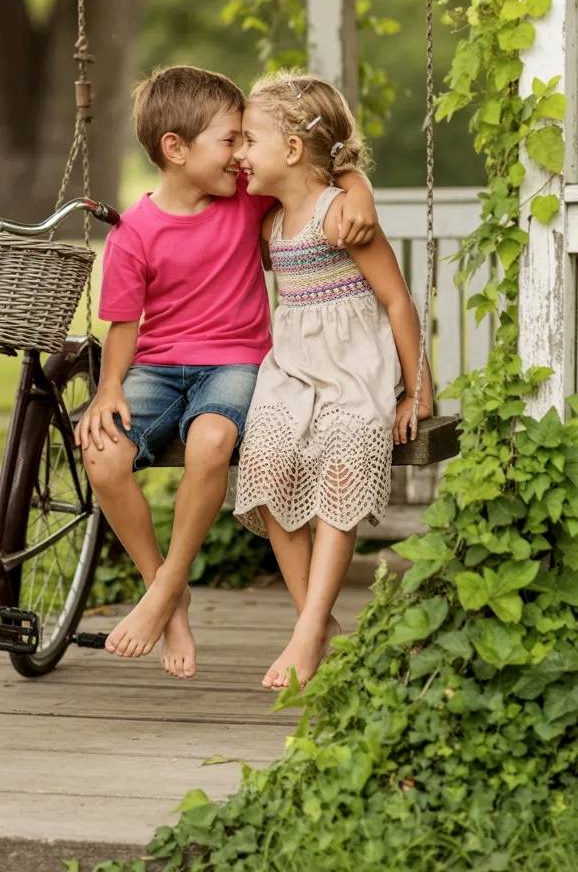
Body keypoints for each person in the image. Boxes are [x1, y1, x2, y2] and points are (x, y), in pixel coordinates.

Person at [74, 65, 378, 679]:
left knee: (211, 441)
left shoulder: (245, 195)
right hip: (158, 368)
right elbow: (124, 325)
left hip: (234, 362)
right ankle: (168, 592)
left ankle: (166, 586)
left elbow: (319, 165)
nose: (241, 153)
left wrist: (359, 190)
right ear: (176, 149)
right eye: (229, 140)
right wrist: (108, 390)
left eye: (245, 140)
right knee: (102, 456)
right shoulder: (133, 233)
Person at [233, 71, 434, 690]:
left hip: (352, 370)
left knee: (343, 464)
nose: (240, 155)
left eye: (250, 141)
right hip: (292, 372)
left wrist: (417, 390)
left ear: (293, 149)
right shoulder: (268, 223)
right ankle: (314, 625)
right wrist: (354, 176)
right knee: (265, 464)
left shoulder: (341, 216)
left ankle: (306, 632)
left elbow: (397, 301)